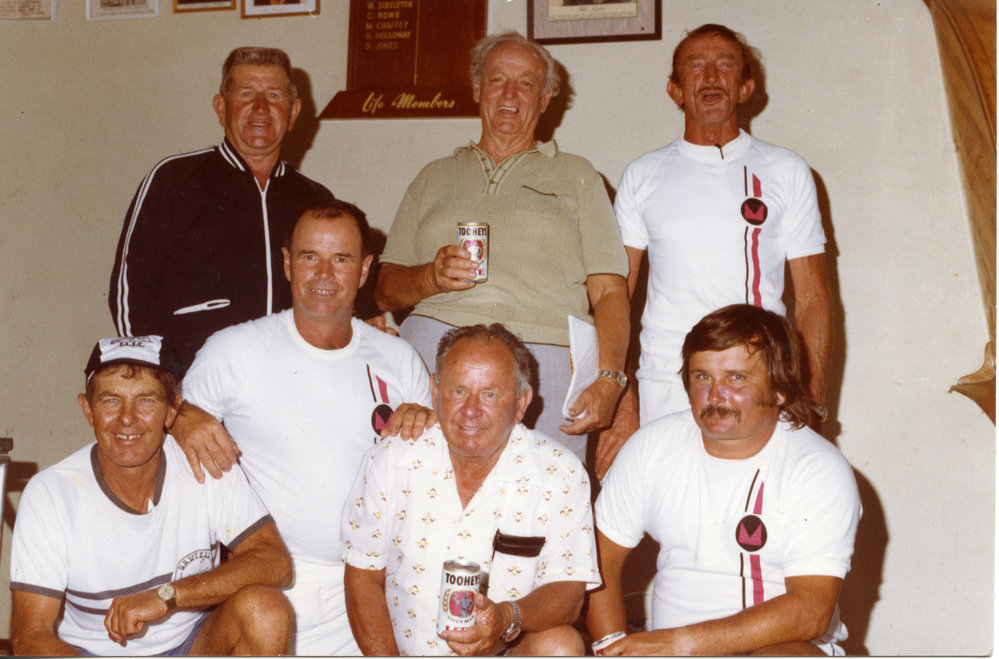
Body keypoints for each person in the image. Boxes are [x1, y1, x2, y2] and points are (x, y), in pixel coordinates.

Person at [174, 200, 433, 655]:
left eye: (342, 259)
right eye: (310, 256)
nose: (324, 274)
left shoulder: (399, 359)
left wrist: (429, 421)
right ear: (287, 263)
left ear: (365, 269)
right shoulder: (233, 350)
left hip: (373, 588)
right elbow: (158, 433)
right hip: (269, 590)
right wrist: (179, 417)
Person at [374, 31, 630, 469]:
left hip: (542, 357)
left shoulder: (579, 177)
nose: (510, 94)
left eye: (526, 83)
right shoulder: (433, 176)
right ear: (477, 88)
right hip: (433, 351)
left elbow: (609, 292)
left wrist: (610, 380)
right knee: (413, 487)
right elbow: (384, 291)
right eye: (497, 79)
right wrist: (430, 277)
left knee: (543, 495)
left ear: (545, 98)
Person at [586, 305, 860, 656]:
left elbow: (811, 612)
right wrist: (612, 647)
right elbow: (597, 562)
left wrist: (679, 644)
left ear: (779, 388)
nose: (715, 396)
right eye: (703, 377)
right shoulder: (651, 447)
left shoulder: (816, 468)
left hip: (773, 649)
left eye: (736, 378)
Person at [9, 335, 293, 656]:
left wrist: (166, 595)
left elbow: (275, 562)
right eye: (111, 400)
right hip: (91, 654)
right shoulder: (50, 493)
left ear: (172, 412)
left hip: (191, 644)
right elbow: (29, 637)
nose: (127, 417)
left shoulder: (203, 462)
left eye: (146, 400)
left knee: (266, 611)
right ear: (88, 410)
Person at [614, 24, 832, 431]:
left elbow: (813, 299)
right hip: (665, 387)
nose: (711, 76)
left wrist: (813, 404)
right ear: (675, 90)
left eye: (726, 65)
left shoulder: (786, 171)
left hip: (758, 380)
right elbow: (615, 299)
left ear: (746, 88)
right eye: (696, 66)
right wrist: (621, 402)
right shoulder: (642, 175)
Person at [342, 324, 600, 656]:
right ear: (435, 391)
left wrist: (506, 616)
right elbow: (362, 578)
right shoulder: (393, 457)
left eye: (490, 394)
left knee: (561, 646)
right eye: (459, 390)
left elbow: (569, 593)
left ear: (521, 403)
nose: (471, 411)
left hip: (502, 651)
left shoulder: (560, 473)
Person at [109, 46, 333, 377]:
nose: (260, 108)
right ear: (221, 107)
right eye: (246, 94)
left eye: (274, 95)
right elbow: (130, 292)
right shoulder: (174, 179)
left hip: (289, 381)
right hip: (192, 383)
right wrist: (161, 382)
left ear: (294, 111)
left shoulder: (315, 200)